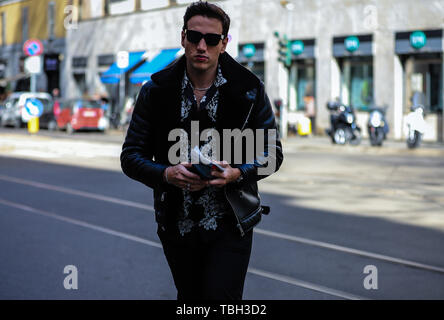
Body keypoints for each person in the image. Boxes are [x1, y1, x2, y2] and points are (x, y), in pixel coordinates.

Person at [121, 1, 283, 300]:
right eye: (194, 37)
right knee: (190, 298)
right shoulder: (155, 91)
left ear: (224, 43)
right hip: (176, 224)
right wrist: (166, 174)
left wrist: (237, 173)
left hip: (231, 223)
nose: (201, 46)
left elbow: (272, 152)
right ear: (183, 37)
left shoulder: (249, 89)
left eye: (211, 40)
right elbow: (131, 156)